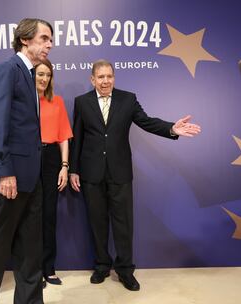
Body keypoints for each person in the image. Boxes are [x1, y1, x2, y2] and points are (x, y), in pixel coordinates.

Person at [69, 59, 201, 291]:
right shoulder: (81, 102)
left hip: (120, 173)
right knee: (97, 223)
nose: (105, 81)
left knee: (123, 224)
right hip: (91, 174)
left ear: (114, 78)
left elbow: (146, 122)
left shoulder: (127, 99)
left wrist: (171, 128)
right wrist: (73, 169)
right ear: (92, 79)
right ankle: (101, 266)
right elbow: (77, 138)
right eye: (101, 77)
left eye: (109, 76)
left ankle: (125, 270)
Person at [0, 18, 53, 304]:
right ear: (25, 39)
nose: (49, 45)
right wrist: (4, 171)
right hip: (10, 175)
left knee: (31, 246)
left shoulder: (29, 75)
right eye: (44, 38)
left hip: (32, 175)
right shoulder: (7, 70)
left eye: (51, 40)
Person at [36, 59, 73, 286]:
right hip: (28, 159)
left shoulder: (56, 101)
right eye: (40, 74)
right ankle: (30, 271)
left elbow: (64, 137)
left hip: (51, 160)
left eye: (47, 75)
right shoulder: (23, 101)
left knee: (48, 216)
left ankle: (48, 268)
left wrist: (65, 166)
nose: (43, 78)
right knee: (29, 218)